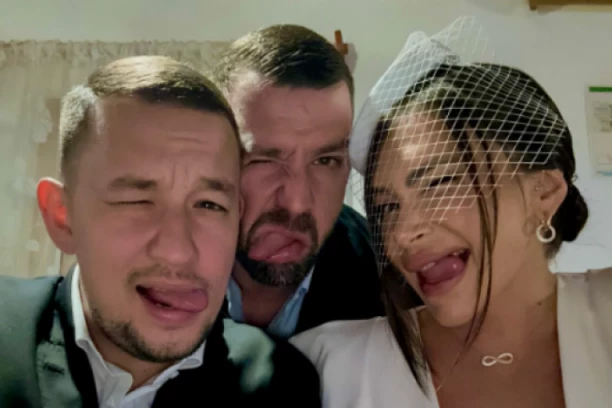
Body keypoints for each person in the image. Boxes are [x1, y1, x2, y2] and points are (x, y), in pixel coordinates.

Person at [291, 21, 612, 408]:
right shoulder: (329, 367)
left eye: (440, 184)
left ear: (543, 192)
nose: (403, 234)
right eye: (387, 206)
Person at [0, 55, 320, 407]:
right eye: (137, 201)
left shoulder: (279, 384)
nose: (178, 251)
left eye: (209, 205)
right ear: (63, 216)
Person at [212, 24, 384, 339]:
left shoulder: (392, 290)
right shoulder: (164, 260)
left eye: (325, 161)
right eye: (263, 161)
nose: (296, 203)